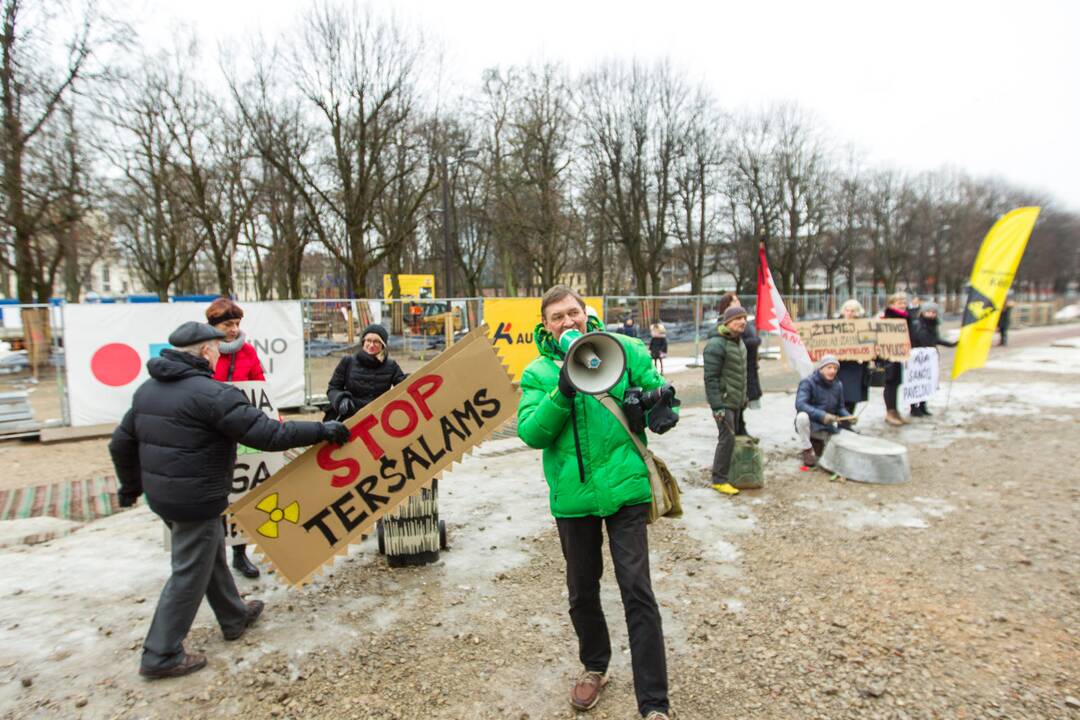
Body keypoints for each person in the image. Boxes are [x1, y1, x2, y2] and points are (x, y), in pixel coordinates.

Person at [109, 321, 350, 680]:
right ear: (206, 351)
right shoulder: (212, 394)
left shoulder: (147, 391)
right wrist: (322, 430)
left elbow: (120, 443)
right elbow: (269, 433)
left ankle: (233, 615)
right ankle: (160, 653)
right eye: (216, 348)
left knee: (206, 553)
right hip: (196, 498)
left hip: (163, 497)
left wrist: (131, 487)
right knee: (189, 570)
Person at [517, 286, 674, 720]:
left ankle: (654, 704)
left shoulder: (622, 350)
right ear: (545, 326)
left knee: (637, 592)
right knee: (581, 593)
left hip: (625, 491)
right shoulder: (537, 373)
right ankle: (595, 666)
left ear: (587, 313)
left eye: (573, 312)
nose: (567, 322)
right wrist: (562, 392)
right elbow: (532, 433)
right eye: (557, 317)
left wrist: (659, 405)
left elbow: (654, 388)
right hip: (574, 499)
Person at [206, 297, 265, 579]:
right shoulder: (206, 352)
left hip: (240, 427)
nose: (233, 329)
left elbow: (259, 386)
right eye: (228, 324)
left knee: (242, 489)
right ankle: (213, 555)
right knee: (217, 492)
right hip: (211, 431)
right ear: (215, 325)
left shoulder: (248, 352)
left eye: (237, 323)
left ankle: (240, 554)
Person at [704, 305, 748, 496]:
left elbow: (740, 373)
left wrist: (743, 397)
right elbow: (710, 378)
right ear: (727, 322)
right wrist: (717, 406)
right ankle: (719, 479)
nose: (743, 322)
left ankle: (729, 472)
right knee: (727, 439)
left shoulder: (738, 342)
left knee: (732, 438)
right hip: (723, 402)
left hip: (736, 400)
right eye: (738, 318)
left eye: (745, 318)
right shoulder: (716, 344)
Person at [324, 324, 406, 421]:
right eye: (368, 340)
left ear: (383, 345)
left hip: (378, 418)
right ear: (363, 342)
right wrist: (340, 399)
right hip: (351, 416)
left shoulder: (391, 366)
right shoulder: (348, 362)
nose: (371, 345)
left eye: (376, 342)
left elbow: (404, 385)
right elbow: (333, 388)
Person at [794, 355, 852, 467]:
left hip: (827, 426)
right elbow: (800, 404)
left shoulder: (838, 385)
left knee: (836, 454)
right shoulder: (807, 382)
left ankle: (817, 442)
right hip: (812, 424)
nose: (832, 371)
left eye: (835, 368)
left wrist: (849, 417)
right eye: (829, 367)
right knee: (802, 417)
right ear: (821, 368)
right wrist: (822, 415)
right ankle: (807, 449)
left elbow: (840, 408)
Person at [717, 292, 761, 435]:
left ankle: (740, 429)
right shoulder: (724, 325)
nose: (738, 302)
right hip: (733, 370)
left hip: (746, 366)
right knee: (735, 402)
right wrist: (755, 342)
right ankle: (737, 431)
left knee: (743, 399)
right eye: (734, 301)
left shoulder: (742, 320)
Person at [909, 302, 956, 417]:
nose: (930, 314)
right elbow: (915, 339)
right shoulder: (916, 325)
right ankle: (914, 408)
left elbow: (936, 340)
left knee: (926, 383)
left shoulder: (933, 325)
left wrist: (952, 344)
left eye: (933, 312)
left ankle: (923, 406)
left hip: (929, 359)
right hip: (917, 359)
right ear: (923, 312)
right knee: (916, 384)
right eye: (928, 312)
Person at [881, 292, 914, 427]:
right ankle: (890, 412)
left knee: (896, 383)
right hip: (889, 356)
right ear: (892, 304)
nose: (903, 305)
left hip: (901, 356)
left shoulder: (907, 319)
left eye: (904, 303)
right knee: (890, 383)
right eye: (899, 303)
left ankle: (895, 411)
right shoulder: (887, 319)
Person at [835, 299, 870, 417]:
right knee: (843, 395)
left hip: (857, 366)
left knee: (854, 395)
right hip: (841, 365)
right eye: (847, 310)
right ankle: (843, 421)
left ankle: (848, 419)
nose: (849, 313)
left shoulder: (863, 326)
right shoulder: (835, 326)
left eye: (852, 311)